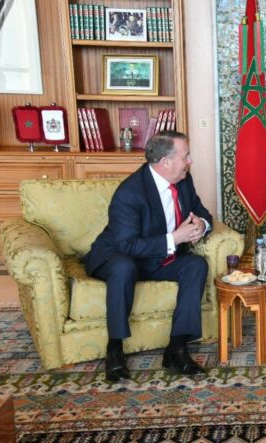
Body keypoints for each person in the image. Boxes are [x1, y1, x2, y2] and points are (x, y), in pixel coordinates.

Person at [84, 131, 212, 382]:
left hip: (157, 258)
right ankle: (114, 349)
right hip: (117, 255)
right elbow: (126, 244)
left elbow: (201, 211)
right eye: (185, 156)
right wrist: (175, 238)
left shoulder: (184, 180)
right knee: (123, 267)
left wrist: (201, 225)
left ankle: (177, 348)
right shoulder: (130, 192)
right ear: (166, 161)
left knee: (196, 265)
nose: (190, 162)